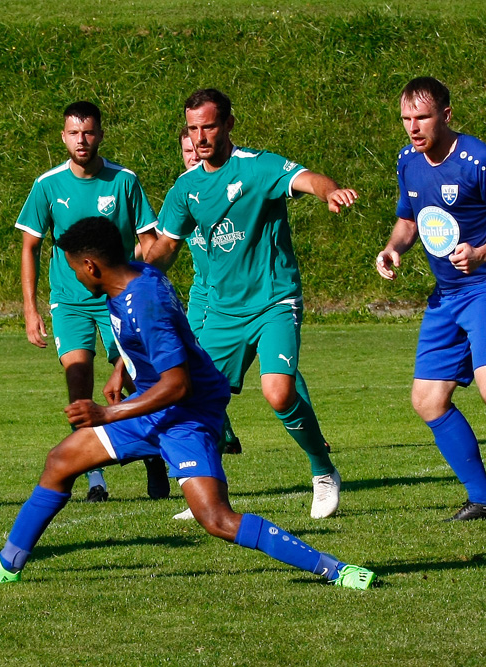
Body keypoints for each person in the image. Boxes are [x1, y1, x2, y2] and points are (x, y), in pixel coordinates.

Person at [0, 217, 375, 589]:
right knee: (61, 460)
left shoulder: (142, 303)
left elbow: (178, 383)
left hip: (185, 415)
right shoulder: (133, 276)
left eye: (73, 268)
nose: (74, 275)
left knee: (217, 519)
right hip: (156, 407)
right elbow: (150, 348)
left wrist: (106, 413)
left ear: (90, 266)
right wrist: (121, 370)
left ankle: (335, 569)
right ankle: (6, 565)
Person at [147, 89, 352, 519]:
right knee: (196, 403)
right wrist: (133, 270)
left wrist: (328, 192)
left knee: (278, 393)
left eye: (209, 126)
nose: (201, 137)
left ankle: (323, 471)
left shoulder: (258, 167)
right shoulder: (186, 188)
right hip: (222, 312)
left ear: (228, 124)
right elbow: (166, 245)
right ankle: (208, 493)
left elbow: (308, 178)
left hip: (274, 300)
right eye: (193, 129)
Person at [376, 77, 486, 526]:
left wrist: (481, 253)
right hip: (446, 296)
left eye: (423, 118)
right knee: (427, 400)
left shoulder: (480, 161)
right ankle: (484, 498)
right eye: (406, 119)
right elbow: (408, 219)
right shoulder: (407, 160)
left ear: (447, 115)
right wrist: (395, 246)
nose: (413, 128)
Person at [17, 100, 166, 502]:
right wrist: (31, 309)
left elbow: (149, 241)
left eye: (88, 132)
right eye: (73, 133)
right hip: (70, 302)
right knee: (77, 378)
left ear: (100, 134)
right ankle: (94, 476)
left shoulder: (124, 181)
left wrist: (144, 291)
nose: (81, 141)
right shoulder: (48, 185)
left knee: (135, 377)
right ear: (63, 137)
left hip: (117, 297)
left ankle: (153, 454)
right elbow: (30, 245)